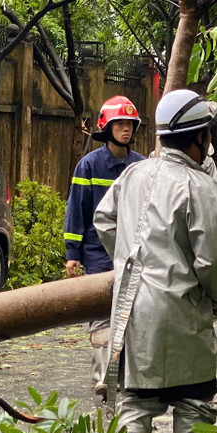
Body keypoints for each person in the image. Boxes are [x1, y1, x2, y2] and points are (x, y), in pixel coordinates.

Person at [95, 89, 217, 433]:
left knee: (136, 405)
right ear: (199, 137)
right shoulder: (201, 186)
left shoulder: (134, 173)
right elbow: (210, 261)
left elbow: (105, 221)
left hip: (131, 312)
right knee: (193, 406)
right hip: (183, 313)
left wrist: (125, 261)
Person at [64, 96, 146, 397]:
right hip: (98, 253)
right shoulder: (89, 165)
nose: (125, 129)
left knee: (133, 312)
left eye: (129, 124)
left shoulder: (141, 166)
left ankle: (127, 374)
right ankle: (102, 378)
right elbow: (77, 211)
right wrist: (72, 254)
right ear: (106, 127)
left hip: (136, 252)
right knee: (100, 312)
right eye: (120, 124)